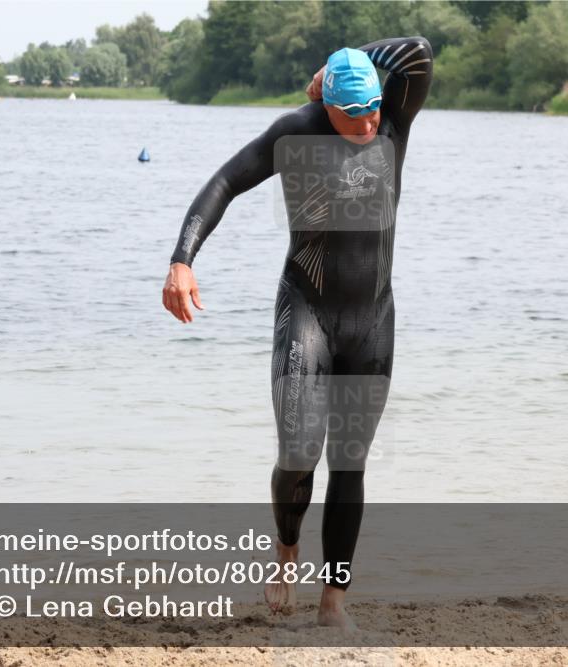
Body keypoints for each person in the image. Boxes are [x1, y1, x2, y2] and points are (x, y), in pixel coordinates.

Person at [163, 36, 432, 632]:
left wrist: (343, 60)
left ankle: (333, 603)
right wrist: (183, 258)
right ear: (327, 107)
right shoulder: (298, 133)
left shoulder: (395, 122)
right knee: (298, 454)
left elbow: (415, 50)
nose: (367, 123)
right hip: (307, 312)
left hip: (372, 321)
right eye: (352, 112)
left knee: (350, 464)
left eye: (372, 109)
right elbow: (225, 182)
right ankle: (287, 546)